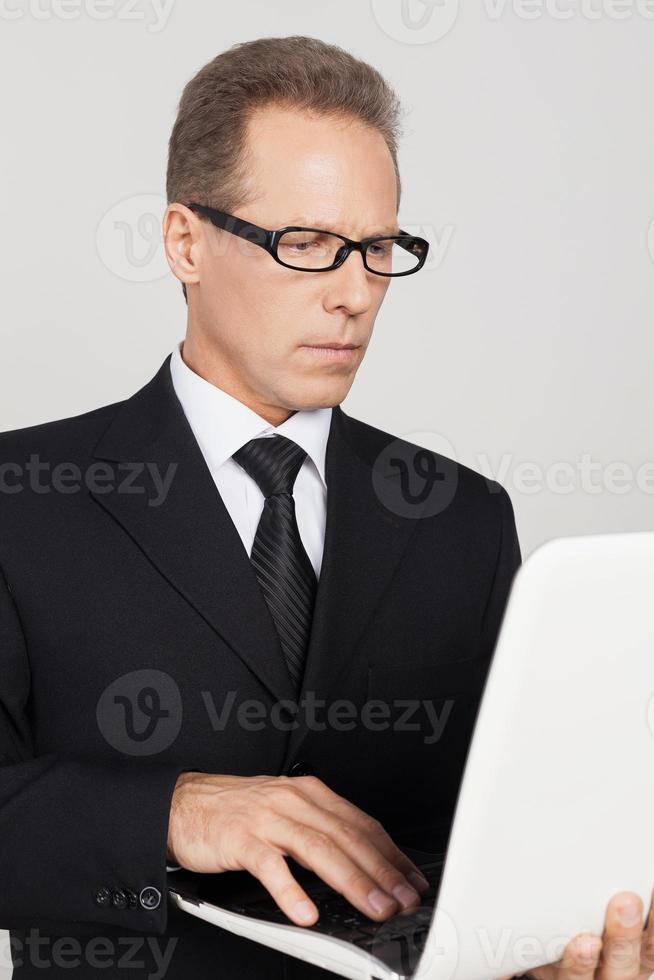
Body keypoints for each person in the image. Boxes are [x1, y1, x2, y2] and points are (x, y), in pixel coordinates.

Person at [0, 34, 651, 980]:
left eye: (379, 248)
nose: (355, 295)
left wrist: (551, 949)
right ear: (185, 242)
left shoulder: (463, 517)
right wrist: (172, 813)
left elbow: (502, 830)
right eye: (304, 245)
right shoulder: (22, 501)